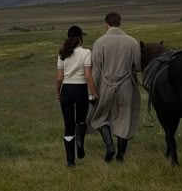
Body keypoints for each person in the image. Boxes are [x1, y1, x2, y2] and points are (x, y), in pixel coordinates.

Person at [89, 12, 141, 162]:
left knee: (99, 117)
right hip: (126, 86)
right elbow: (137, 66)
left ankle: (109, 146)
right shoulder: (132, 42)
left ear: (106, 23)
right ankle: (120, 155)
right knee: (125, 118)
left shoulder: (99, 42)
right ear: (120, 22)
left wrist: (92, 93)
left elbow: (96, 70)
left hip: (105, 85)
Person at [56, 25, 97, 167]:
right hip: (80, 90)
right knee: (80, 120)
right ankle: (80, 141)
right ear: (80, 38)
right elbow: (88, 76)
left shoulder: (62, 52)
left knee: (68, 125)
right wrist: (94, 93)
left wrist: (58, 92)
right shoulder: (86, 52)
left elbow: (59, 78)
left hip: (66, 90)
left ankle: (70, 161)